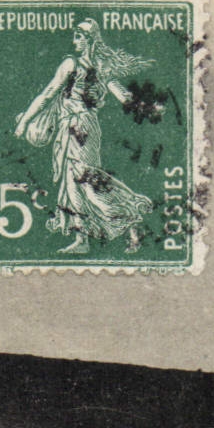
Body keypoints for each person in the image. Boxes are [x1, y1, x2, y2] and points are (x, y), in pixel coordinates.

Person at [13, 20, 154, 254]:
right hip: (87, 126)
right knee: (77, 181)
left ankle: (130, 216)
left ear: (89, 39)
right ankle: (84, 239)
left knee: (83, 179)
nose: (74, 41)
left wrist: (25, 121)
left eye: (78, 37)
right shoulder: (101, 67)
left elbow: (48, 94)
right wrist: (136, 104)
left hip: (76, 128)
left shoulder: (72, 63)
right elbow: (121, 94)